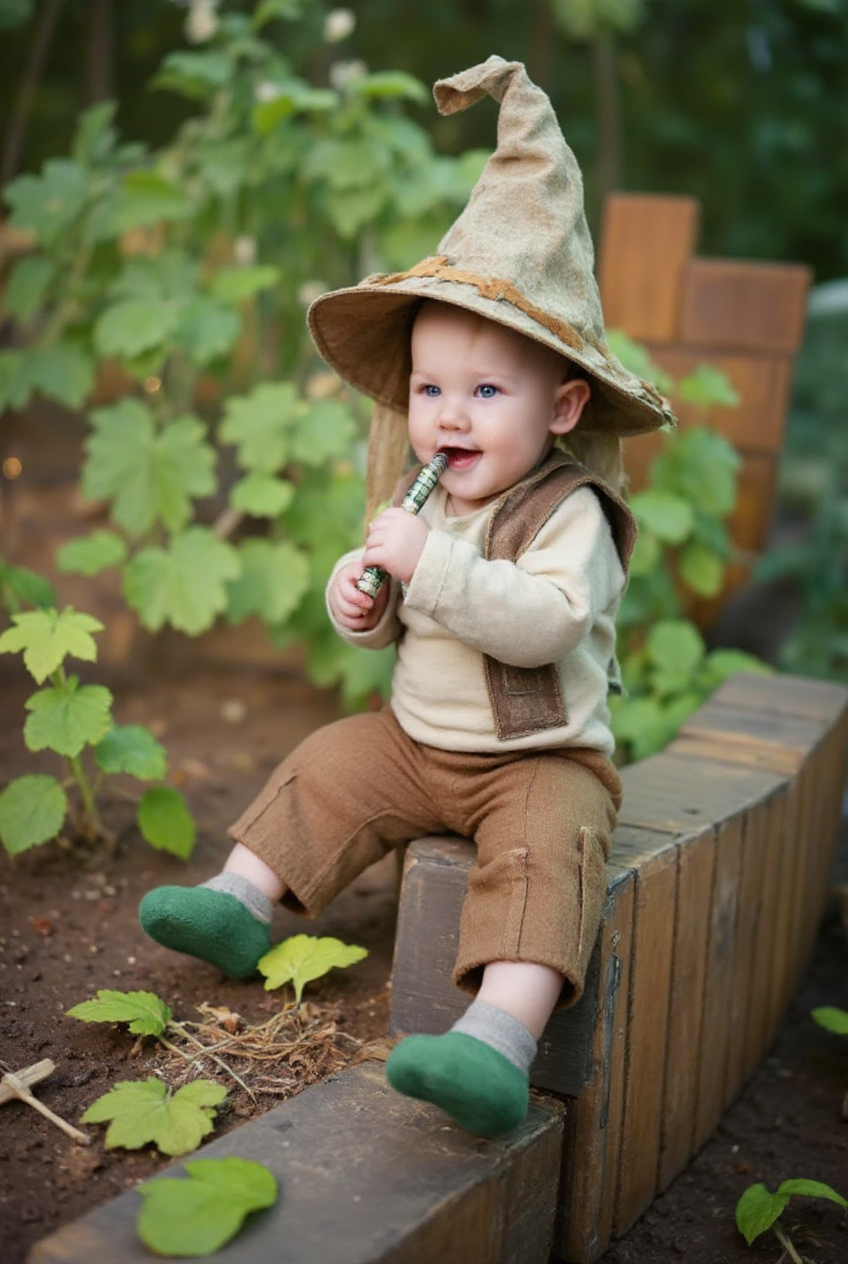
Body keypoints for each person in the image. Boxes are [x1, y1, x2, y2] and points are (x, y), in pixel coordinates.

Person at [139, 55, 675, 1138]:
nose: (450, 418)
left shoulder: (566, 515)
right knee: (331, 763)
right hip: (417, 743)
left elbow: (543, 622)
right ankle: (244, 901)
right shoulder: (425, 497)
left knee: (546, 855)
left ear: (563, 404)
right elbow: (402, 609)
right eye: (431, 389)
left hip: (534, 760)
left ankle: (497, 1038)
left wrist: (430, 563)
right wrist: (365, 591)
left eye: (486, 392)